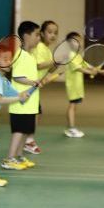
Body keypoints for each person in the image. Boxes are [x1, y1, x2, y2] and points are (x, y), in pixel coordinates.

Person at [3, 22, 43, 171]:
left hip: (30, 104)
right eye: (36, 35)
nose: (39, 38)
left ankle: (19, 156)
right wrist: (33, 82)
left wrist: (35, 82)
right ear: (26, 36)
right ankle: (9, 159)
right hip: (20, 104)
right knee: (18, 132)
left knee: (25, 131)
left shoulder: (30, 56)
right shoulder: (20, 55)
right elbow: (18, 76)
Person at [56, 31, 104, 138]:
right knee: (72, 106)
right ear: (69, 43)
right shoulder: (71, 55)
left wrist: (100, 71)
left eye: (80, 40)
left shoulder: (77, 56)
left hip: (78, 86)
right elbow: (78, 68)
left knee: (74, 106)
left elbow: (86, 65)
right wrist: (90, 72)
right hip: (73, 86)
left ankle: (70, 127)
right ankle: (71, 128)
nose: (78, 42)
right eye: (75, 41)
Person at [26, 20, 58, 154]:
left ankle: (28, 140)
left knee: (36, 113)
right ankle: (28, 141)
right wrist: (54, 61)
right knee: (33, 114)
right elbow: (38, 65)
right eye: (49, 32)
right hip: (28, 85)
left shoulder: (48, 50)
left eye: (55, 33)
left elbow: (49, 69)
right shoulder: (39, 47)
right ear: (43, 33)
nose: (53, 35)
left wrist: (56, 65)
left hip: (35, 86)